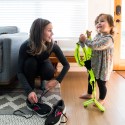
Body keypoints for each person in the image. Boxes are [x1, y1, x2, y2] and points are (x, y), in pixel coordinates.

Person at [17, 18, 70, 104]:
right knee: (30, 62)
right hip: (30, 67)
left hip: (43, 64)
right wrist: (29, 90)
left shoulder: (53, 45)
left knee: (49, 71)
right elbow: (19, 72)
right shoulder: (25, 46)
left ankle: (43, 80)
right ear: (39, 32)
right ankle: (31, 85)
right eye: (49, 30)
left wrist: (57, 81)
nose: (52, 33)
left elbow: (66, 65)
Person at [79, 13, 115, 105]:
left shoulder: (109, 39)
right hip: (95, 63)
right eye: (97, 22)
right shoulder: (98, 35)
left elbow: (95, 45)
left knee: (101, 83)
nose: (99, 23)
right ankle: (89, 93)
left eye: (102, 21)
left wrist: (85, 40)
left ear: (111, 26)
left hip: (104, 66)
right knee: (91, 78)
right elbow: (91, 43)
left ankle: (102, 99)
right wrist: (84, 40)